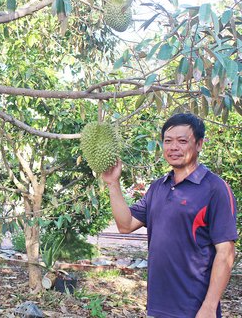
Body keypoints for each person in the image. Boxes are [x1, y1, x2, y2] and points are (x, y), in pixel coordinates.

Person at [101, 113, 238, 318]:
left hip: (195, 308)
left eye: (182, 141)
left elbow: (226, 253)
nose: (174, 147)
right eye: (168, 141)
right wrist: (113, 183)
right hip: (158, 306)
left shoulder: (215, 188)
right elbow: (126, 224)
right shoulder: (158, 187)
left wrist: (209, 307)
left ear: (199, 144)